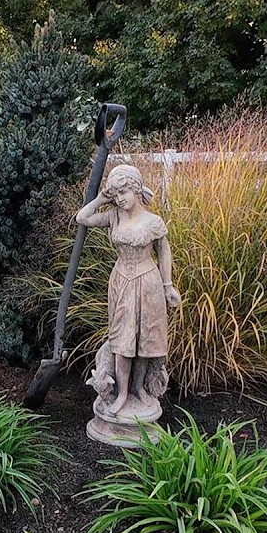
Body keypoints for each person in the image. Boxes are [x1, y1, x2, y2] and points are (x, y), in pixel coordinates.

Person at [75, 164, 180, 416]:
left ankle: (139, 388)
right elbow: (83, 217)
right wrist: (102, 197)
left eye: (124, 192)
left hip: (148, 282)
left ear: (136, 189)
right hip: (121, 281)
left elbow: (163, 252)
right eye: (116, 194)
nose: (120, 199)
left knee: (145, 339)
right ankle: (121, 394)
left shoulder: (153, 222)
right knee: (122, 340)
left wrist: (168, 286)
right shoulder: (114, 216)